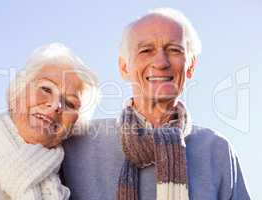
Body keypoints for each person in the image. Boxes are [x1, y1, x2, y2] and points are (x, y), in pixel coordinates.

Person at [61, 8, 251, 199]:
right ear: (124, 67)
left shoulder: (217, 151)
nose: (160, 62)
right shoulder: (78, 143)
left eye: (174, 50)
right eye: (146, 50)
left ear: (191, 66)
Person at [0, 43, 98, 200]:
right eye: (46, 89)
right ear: (18, 92)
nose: (55, 106)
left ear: (75, 125)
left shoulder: (69, 185)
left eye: (70, 103)